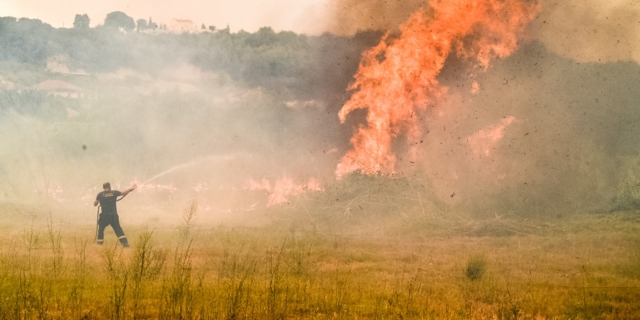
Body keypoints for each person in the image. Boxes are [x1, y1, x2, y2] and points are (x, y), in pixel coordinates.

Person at [94, 182, 137, 247]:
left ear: (103, 187)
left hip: (104, 216)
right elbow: (124, 193)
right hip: (113, 215)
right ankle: (125, 244)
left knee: (101, 230)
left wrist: (100, 200)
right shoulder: (114, 193)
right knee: (118, 229)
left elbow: (95, 204)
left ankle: (99, 244)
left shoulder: (100, 194)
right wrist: (131, 189)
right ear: (110, 187)